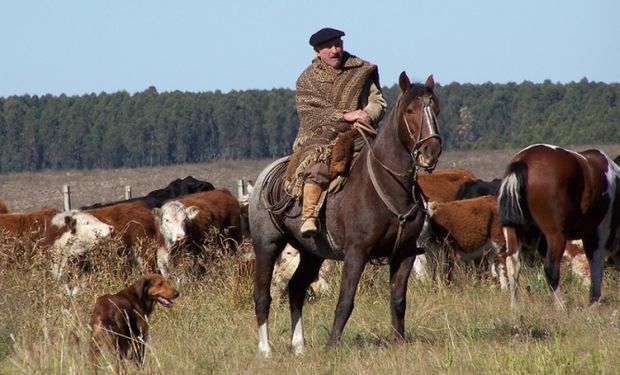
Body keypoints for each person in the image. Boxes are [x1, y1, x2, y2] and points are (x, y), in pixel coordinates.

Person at [288, 27, 387, 237]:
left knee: (393, 160)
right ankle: (309, 217)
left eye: (338, 45)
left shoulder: (361, 69)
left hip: (362, 131)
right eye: (328, 47)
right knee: (317, 167)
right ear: (317, 51)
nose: (335, 50)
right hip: (321, 135)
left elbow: (377, 100)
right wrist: (344, 115)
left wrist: (367, 115)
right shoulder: (306, 80)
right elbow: (310, 113)